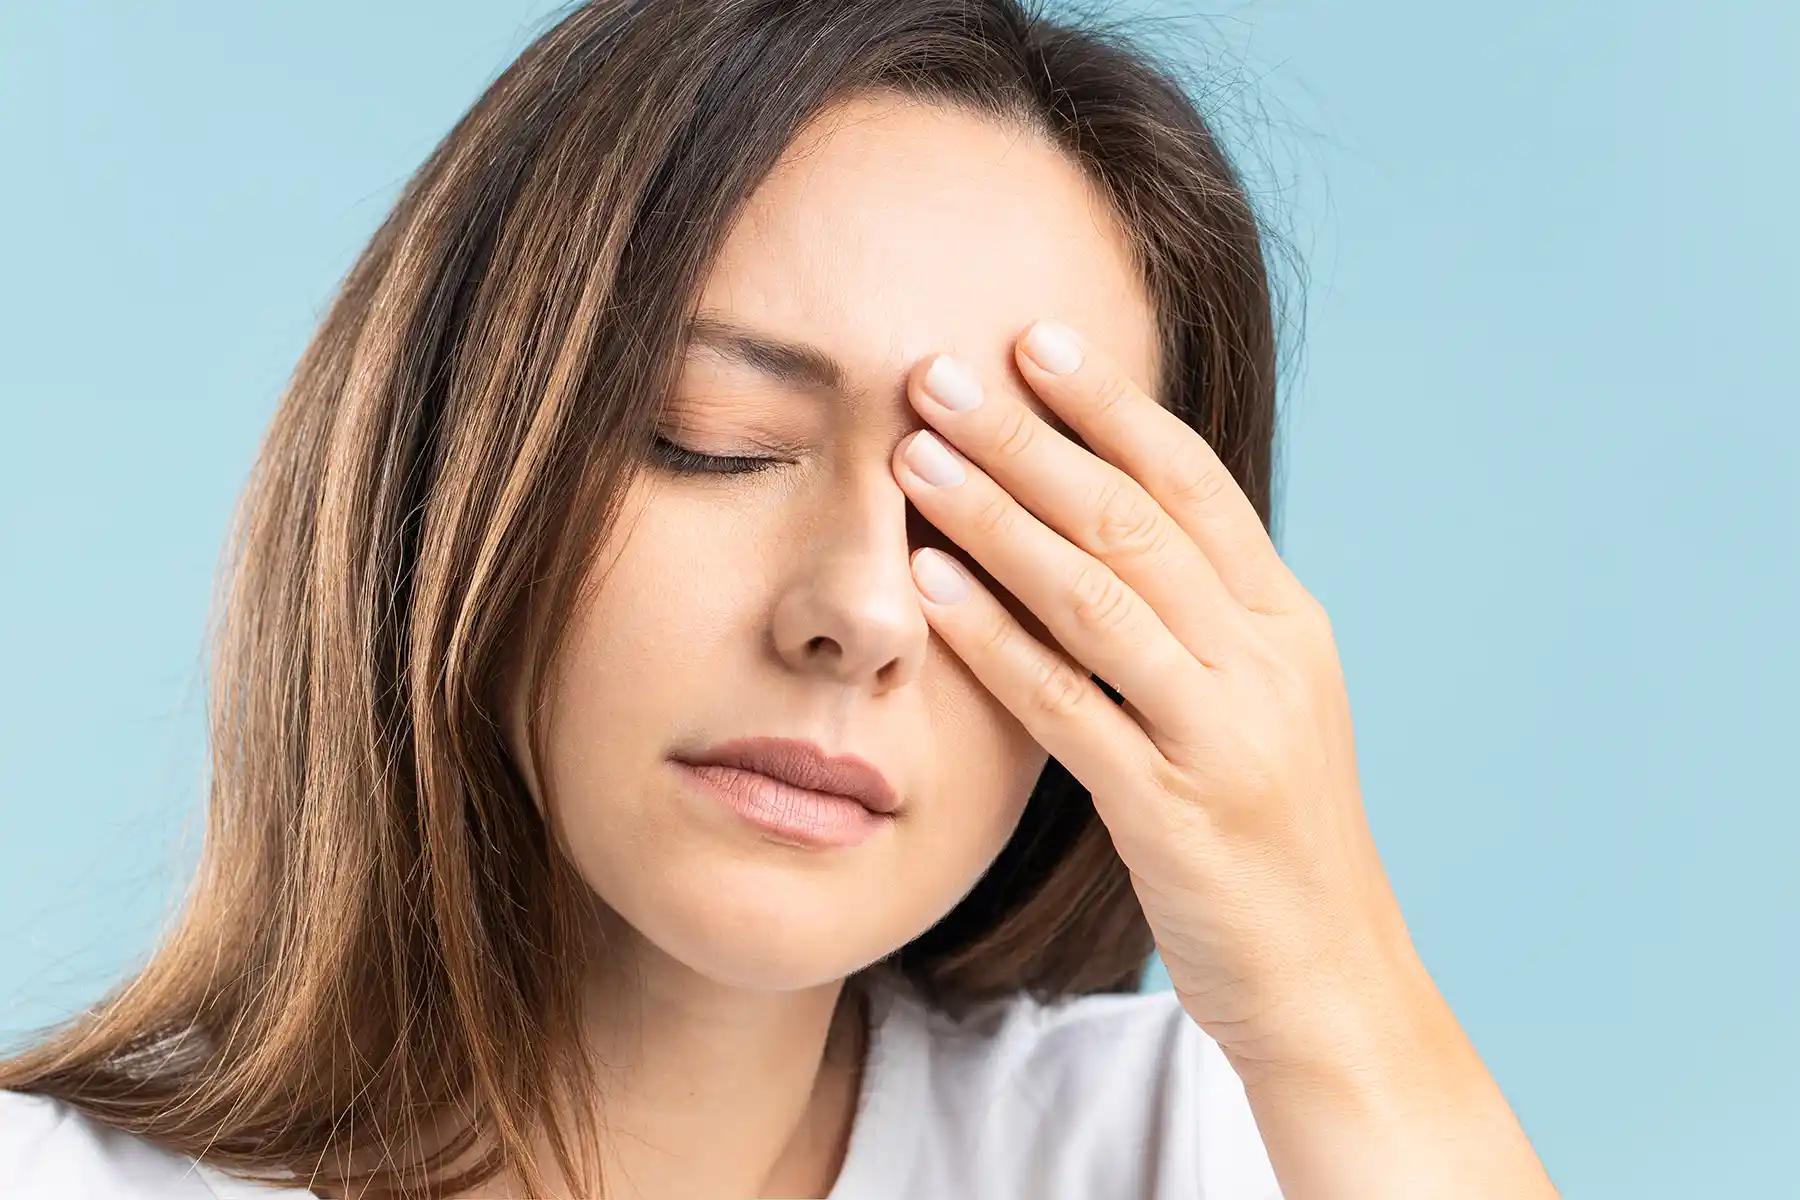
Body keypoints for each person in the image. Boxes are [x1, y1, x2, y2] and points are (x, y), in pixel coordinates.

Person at [0, 1, 1560, 1196]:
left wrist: (1339, 983)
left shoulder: (1197, 1148)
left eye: (1008, 525)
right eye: (717, 442)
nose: (862, 612)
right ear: (444, 463)